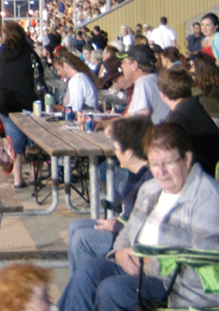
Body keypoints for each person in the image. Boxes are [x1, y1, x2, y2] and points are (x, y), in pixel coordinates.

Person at [57, 123, 219, 311]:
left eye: (168, 163)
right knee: (88, 272)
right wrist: (119, 252)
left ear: (187, 159)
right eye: (154, 164)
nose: (161, 172)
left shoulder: (209, 200)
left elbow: (205, 269)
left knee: (113, 291)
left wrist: (148, 266)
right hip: (141, 269)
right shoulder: (151, 189)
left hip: (182, 289)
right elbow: (128, 230)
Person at [66, 117, 153, 276]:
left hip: (133, 241)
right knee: (75, 227)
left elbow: (143, 228)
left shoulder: (149, 182)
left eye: (116, 149)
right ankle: (77, 286)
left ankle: (88, 286)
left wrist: (116, 225)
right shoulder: (135, 174)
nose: (114, 153)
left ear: (130, 153)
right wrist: (118, 220)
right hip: (124, 227)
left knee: (82, 240)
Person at [0, 21, 41, 188]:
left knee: (15, 143)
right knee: (36, 141)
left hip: (6, 103)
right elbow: (39, 73)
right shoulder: (29, 53)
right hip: (28, 102)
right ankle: (36, 175)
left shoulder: (0, 54)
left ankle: (17, 179)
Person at [158, 68, 219, 175]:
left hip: (204, 174)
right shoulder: (192, 105)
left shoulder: (177, 119)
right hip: (217, 170)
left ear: (163, 94)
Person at [119, 45, 170, 124]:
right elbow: (128, 116)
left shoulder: (143, 82)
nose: (121, 65)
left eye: (124, 62)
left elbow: (140, 117)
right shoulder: (153, 79)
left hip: (156, 134)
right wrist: (104, 123)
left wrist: (113, 128)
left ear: (134, 65)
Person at [190, 52, 219, 132]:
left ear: (200, 67)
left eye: (192, 65)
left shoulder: (204, 85)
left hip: (216, 119)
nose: (191, 68)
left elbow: (188, 93)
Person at [53, 51, 98, 115]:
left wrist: (55, 108)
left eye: (58, 69)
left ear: (65, 66)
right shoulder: (81, 77)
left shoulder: (76, 81)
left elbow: (75, 109)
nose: (59, 73)